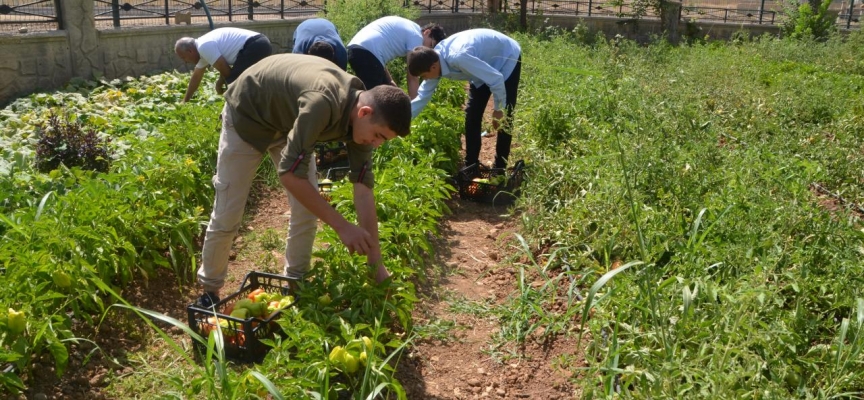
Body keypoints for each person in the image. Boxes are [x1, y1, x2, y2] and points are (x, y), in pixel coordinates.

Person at [195, 54, 411, 308]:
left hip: (290, 123)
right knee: (228, 211)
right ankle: (209, 290)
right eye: (378, 135)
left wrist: (377, 265)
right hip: (248, 114)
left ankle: (295, 284)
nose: (376, 143)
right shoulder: (322, 102)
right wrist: (342, 226)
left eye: (382, 140)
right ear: (364, 112)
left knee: (307, 212)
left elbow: (363, 191)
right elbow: (289, 175)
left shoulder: (362, 126)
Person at [407, 29, 521, 169]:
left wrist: (499, 109)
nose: (425, 79)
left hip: (505, 56)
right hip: (481, 63)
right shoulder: (433, 60)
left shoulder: (458, 57)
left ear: (433, 67)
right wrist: (402, 121)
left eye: (424, 76)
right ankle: (471, 165)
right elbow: (422, 97)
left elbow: (496, 79)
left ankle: (500, 168)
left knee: (505, 118)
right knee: (472, 115)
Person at [347, 16, 446, 98]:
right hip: (367, 54)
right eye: (431, 45)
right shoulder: (417, 37)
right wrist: (414, 105)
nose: (428, 49)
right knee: (375, 101)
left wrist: (390, 81)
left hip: (357, 50)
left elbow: (378, 53)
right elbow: (412, 76)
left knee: (387, 92)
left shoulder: (411, 28)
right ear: (427, 32)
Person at [174, 27, 272, 102]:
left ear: (190, 51)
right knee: (251, 81)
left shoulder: (204, 47)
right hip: (259, 43)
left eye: (183, 57)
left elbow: (226, 71)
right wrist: (185, 101)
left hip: (255, 45)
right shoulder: (203, 48)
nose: (185, 61)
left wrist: (222, 83)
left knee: (236, 83)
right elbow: (196, 77)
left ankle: (236, 114)